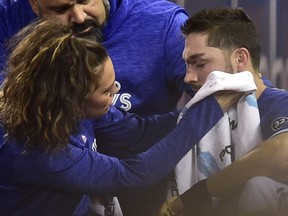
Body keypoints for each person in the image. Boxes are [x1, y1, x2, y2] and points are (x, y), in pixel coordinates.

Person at [0, 19, 239, 216]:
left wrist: (196, 109)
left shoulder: (61, 111)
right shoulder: (35, 153)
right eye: (106, 91)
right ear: (72, 99)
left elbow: (138, 133)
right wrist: (212, 109)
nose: (115, 90)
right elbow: (132, 176)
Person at [159, 7, 288, 216]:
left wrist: (197, 195)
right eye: (187, 65)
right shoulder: (192, 118)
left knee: (259, 186)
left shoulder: (279, 103)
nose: (188, 78)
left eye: (200, 63)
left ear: (240, 59)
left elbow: (284, 153)